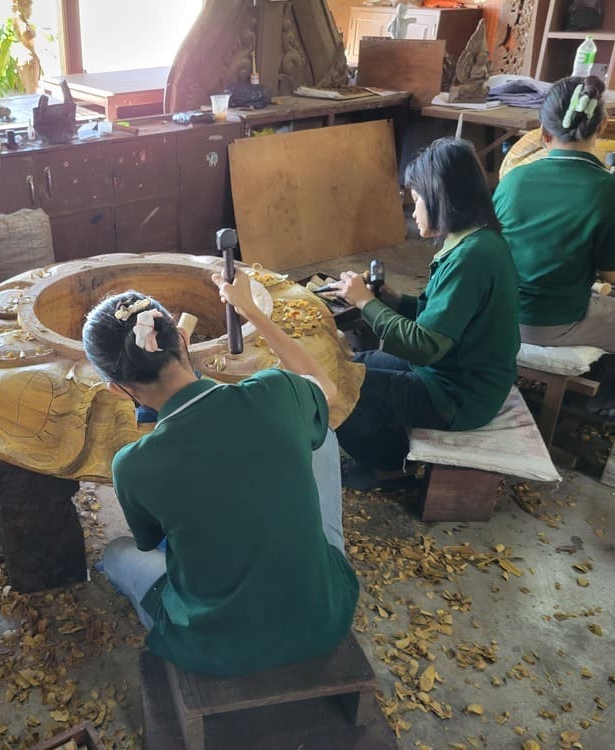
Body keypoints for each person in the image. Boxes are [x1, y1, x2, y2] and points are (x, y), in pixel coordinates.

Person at [81, 275, 359, 677]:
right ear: (182, 337)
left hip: (214, 647)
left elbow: (152, 540)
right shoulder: (277, 393)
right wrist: (253, 314)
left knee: (117, 552)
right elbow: (326, 388)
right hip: (324, 618)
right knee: (321, 433)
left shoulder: (132, 464)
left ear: (116, 390)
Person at [333, 137, 520, 489]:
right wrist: (390, 299)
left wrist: (364, 303)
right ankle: (387, 443)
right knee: (359, 361)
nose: (412, 210)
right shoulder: (476, 241)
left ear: (440, 199)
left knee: (340, 387)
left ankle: (391, 469)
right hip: (455, 373)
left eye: (416, 200)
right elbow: (442, 318)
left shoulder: (472, 258)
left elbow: (424, 346)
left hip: (458, 396)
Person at [494, 74, 615, 360]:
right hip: (548, 323)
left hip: (496, 313)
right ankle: (611, 396)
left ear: (543, 133)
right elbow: (614, 274)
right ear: (603, 125)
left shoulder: (513, 178)